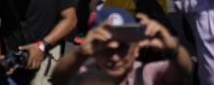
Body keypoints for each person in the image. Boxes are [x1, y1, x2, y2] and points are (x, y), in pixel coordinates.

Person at [50, 7, 193, 85]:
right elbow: (59, 78)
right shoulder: (85, 76)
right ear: (94, 51)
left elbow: (183, 70)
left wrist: (172, 48)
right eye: (107, 50)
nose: (115, 57)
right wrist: (80, 54)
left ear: (136, 49)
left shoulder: (146, 75)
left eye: (123, 48)